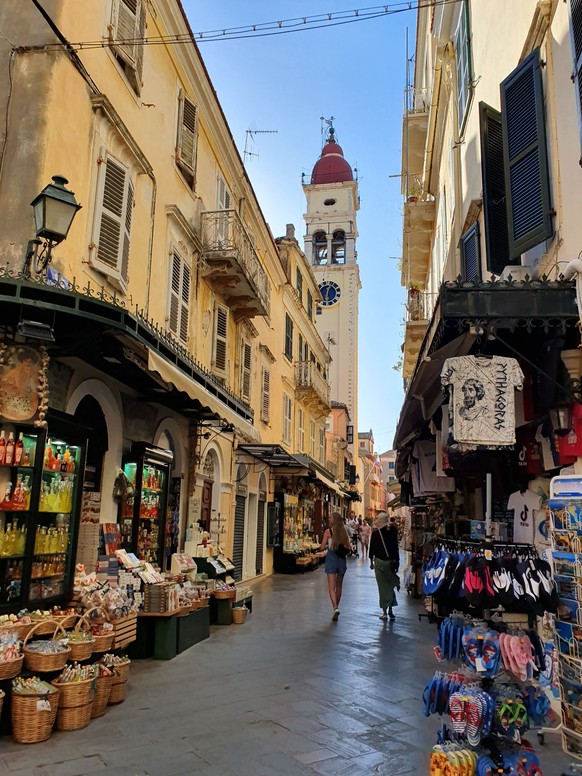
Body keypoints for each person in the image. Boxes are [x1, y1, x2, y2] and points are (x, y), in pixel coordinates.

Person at [319, 512, 351, 621]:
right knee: (339, 586)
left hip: (331, 560)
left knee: (331, 587)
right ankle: (336, 607)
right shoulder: (344, 532)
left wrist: (326, 545)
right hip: (341, 560)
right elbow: (349, 547)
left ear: (334, 520)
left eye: (330, 517)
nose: (329, 519)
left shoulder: (328, 532)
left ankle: (335, 608)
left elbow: (322, 547)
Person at [369, 512, 400, 621]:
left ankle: (384, 612)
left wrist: (370, 561)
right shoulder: (393, 532)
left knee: (382, 588)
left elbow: (371, 548)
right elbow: (396, 548)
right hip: (390, 563)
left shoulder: (376, 533)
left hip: (379, 563)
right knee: (390, 586)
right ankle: (391, 609)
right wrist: (397, 561)